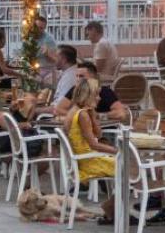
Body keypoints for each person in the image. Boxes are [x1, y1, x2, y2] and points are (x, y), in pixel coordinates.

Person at [63, 78, 119, 226]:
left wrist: (93, 114)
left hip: (81, 160)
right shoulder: (82, 115)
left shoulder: (74, 111)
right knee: (130, 170)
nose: (99, 98)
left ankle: (112, 209)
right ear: (88, 95)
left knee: (126, 168)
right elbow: (95, 144)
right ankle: (110, 207)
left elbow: (98, 134)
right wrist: (118, 151)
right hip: (89, 162)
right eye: (96, 94)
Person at [0, 63, 42, 155]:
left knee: (22, 119)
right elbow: (8, 126)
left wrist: (10, 110)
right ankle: (25, 167)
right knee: (39, 140)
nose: (0, 80)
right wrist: (25, 124)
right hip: (0, 142)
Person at [54, 62, 127, 120]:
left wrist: (98, 116)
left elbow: (121, 113)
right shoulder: (74, 90)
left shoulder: (105, 92)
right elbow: (58, 110)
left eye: (82, 76)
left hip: (105, 131)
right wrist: (79, 116)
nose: (78, 79)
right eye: (77, 76)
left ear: (94, 78)